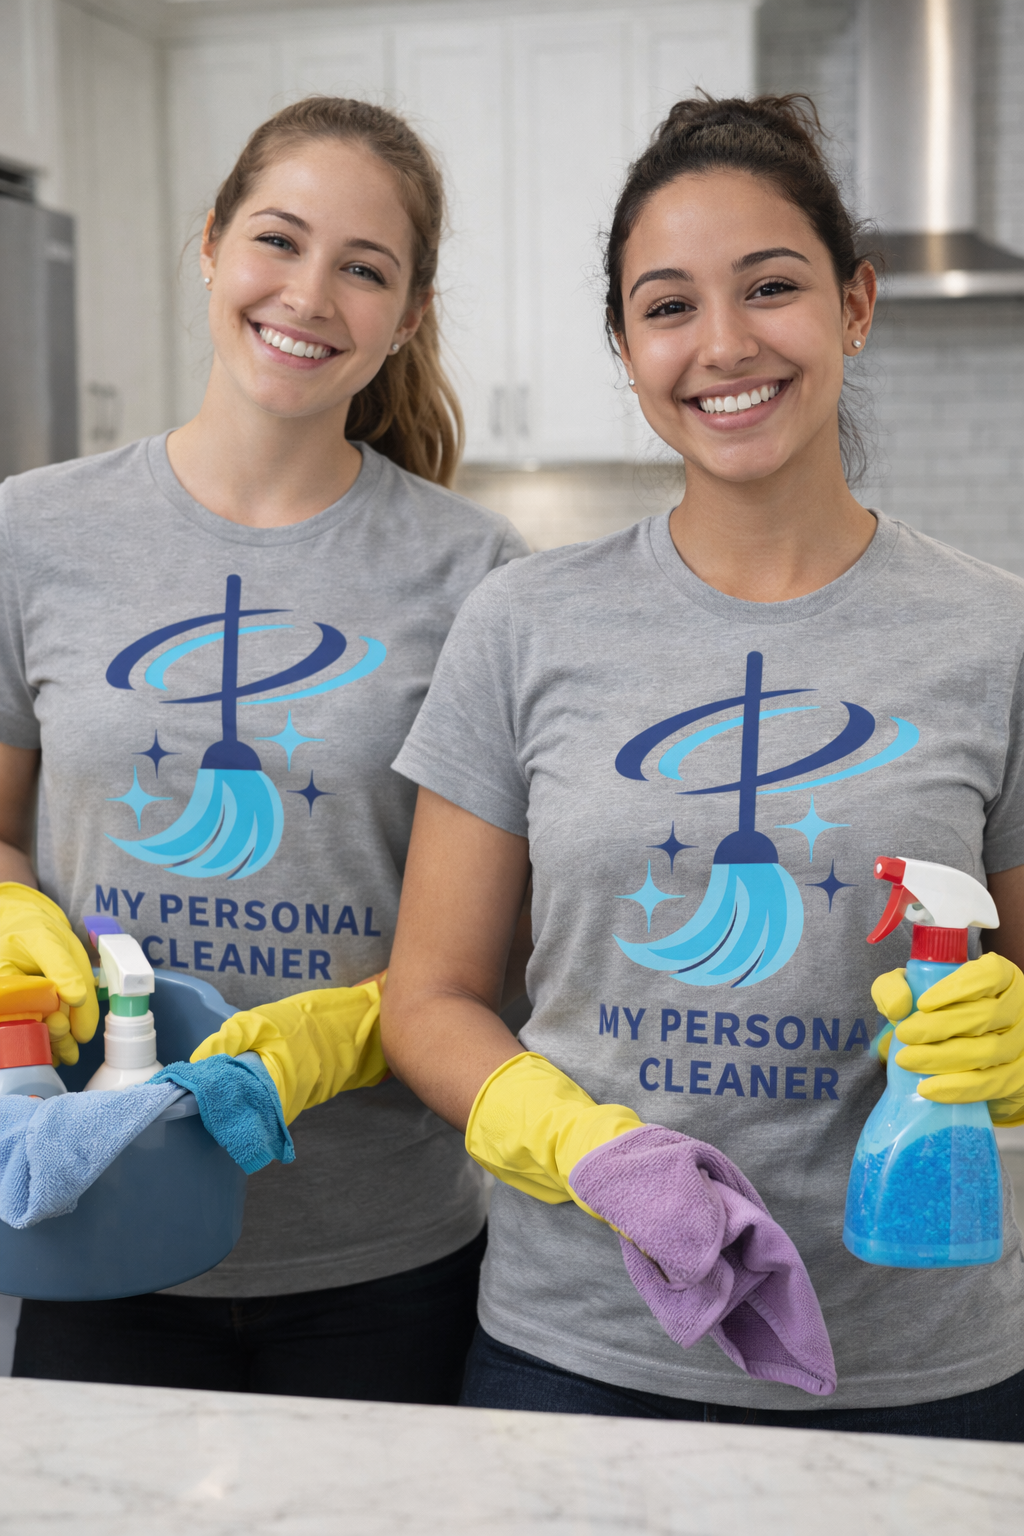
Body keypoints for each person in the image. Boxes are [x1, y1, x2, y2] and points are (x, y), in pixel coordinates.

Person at [380, 94, 1024, 1437]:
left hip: (920, 1361)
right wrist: (579, 1146)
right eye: (667, 307)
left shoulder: (996, 636)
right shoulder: (525, 623)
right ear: (625, 349)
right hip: (584, 1339)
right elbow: (429, 997)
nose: (724, 345)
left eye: (771, 288)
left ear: (854, 304)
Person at [0, 96, 529, 1400]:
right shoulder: (33, 531)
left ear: (408, 315)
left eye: (364, 267)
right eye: (278, 242)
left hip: (378, 1246)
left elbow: (498, 935)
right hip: (94, 1208)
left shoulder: (480, 579)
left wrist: (365, 1025)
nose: (309, 293)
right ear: (211, 247)